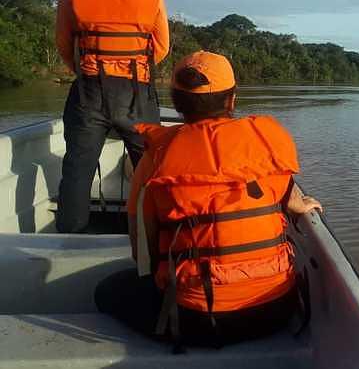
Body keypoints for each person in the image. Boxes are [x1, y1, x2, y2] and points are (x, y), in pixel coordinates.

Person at [95, 51, 322, 348]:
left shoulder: (155, 159)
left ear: (176, 102)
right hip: (277, 310)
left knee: (106, 290)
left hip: (198, 321)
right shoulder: (269, 145)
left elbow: (144, 257)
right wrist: (301, 204)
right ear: (232, 99)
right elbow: (289, 197)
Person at [55, 0, 170, 233]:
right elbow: (161, 47)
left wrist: (86, 71)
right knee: (150, 168)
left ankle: (70, 239)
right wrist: (134, 71)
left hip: (89, 90)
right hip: (136, 92)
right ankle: (155, 238)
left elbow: (64, 44)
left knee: (78, 168)